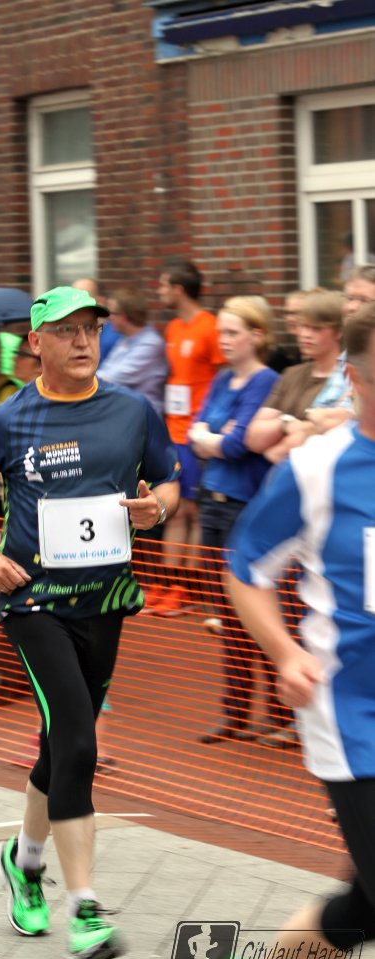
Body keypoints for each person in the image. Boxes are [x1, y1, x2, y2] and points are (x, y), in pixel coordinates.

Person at [0, 284, 180, 959]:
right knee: (77, 739)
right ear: (35, 342)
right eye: (67, 330)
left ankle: (24, 861)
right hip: (33, 601)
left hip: (106, 600)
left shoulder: (133, 410)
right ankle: (85, 907)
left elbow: (168, 480)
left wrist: (157, 508)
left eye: (91, 329)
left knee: (60, 743)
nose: (82, 341)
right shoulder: (8, 420)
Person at [208, 302, 375, 959]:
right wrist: (282, 652)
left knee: (367, 905)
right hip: (351, 714)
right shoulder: (317, 469)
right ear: (353, 378)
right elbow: (245, 567)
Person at [187, 296, 291, 743]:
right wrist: (215, 436)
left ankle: (281, 713)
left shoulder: (266, 380)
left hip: (243, 506)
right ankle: (236, 712)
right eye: (221, 333)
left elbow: (236, 444)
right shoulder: (220, 379)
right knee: (226, 614)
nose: (224, 340)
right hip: (211, 503)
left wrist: (214, 438)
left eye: (233, 332)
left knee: (256, 611)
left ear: (257, 335)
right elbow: (195, 432)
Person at [146, 260, 224, 617]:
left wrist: (210, 424)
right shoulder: (173, 328)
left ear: (178, 289)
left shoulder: (209, 327)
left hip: (196, 432)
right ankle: (166, 583)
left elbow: (221, 378)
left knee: (192, 510)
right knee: (174, 509)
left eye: (163, 285)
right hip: (173, 430)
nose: (159, 292)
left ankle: (187, 588)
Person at [245, 289, 343, 465]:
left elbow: (286, 452)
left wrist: (281, 437)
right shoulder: (291, 374)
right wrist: (286, 423)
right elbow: (253, 438)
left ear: (338, 332)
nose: (305, 334)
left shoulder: (348, 379)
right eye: (302, 326)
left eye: (316, 328)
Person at [97, 285, 167, 417]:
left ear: (123, 317)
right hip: (125, 415)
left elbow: (111, 378)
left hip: (145, 420)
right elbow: (105, 369)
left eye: (112, 313)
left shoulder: (150, 345)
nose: (109, 318)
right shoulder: (126, 339)